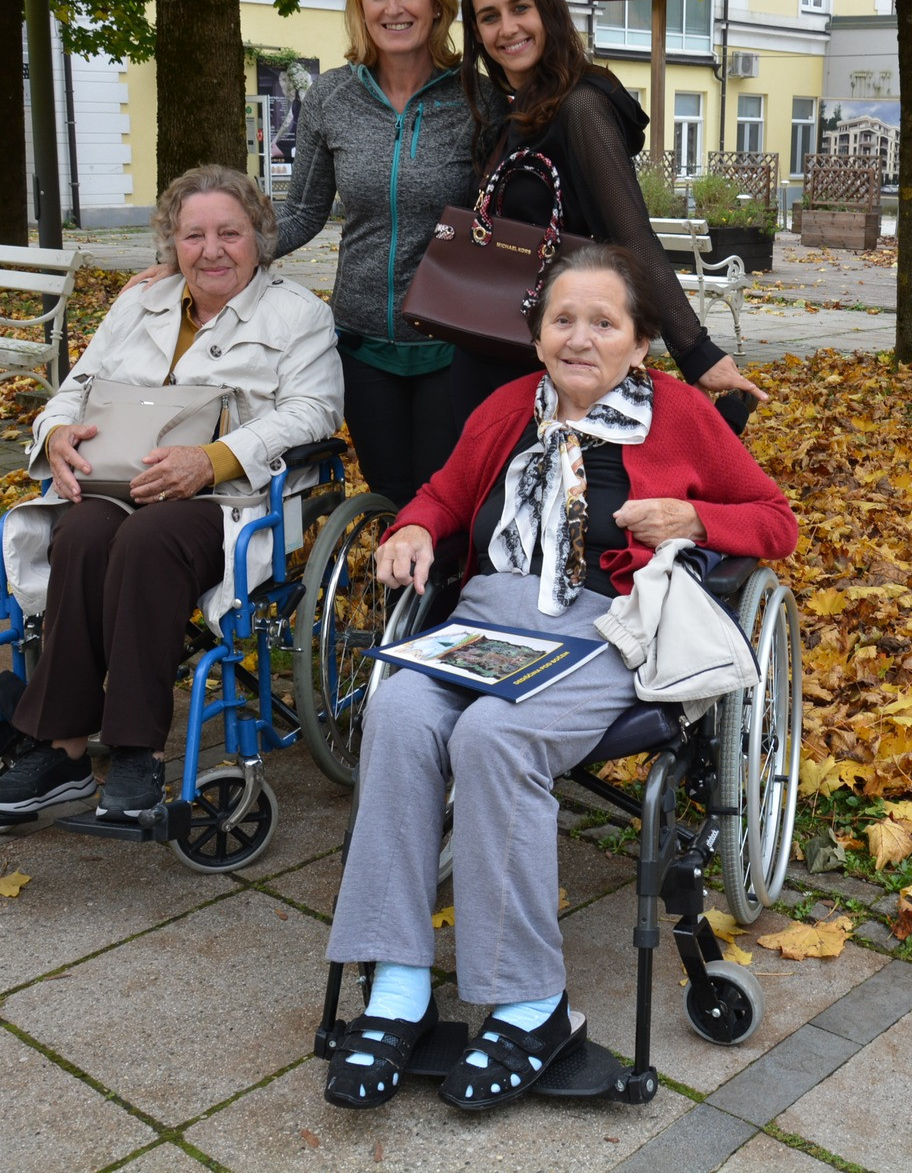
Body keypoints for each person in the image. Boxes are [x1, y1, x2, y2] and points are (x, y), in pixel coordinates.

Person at [322, 245, 797, 1112]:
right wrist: (415, 529)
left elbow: (775, 522)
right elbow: (443, 495)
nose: (580, 338)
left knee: (494, 735)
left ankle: (532, 1005)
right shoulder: (508, 407)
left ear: (640, 341)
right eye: (562, 319)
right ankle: (399, 986)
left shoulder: (681, 415)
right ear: (538, 333)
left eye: (603, 322)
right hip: (484, 623)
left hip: (605, 631)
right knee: (398, 711)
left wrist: (694, 517)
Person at [0, 165, 341, 819]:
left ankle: (136, 749)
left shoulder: (299, 314)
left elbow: (316, 410)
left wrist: (213, 459)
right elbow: (75, 387)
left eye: (229, 233)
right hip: (117, 480)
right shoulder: (141, 302)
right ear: (173, 243)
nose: (212, 250)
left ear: (260, 237)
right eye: (193, 235)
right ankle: (61, 751)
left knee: (147, 540)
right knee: (81, 536)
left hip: (225, 500)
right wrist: (55, 433)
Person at [128, 0, 479, 508]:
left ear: (437, 2)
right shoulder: (331, 97)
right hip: (362, 344)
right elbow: (301, 212)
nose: (392, 8)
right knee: (389, 496)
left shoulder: (476, 100)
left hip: (452, 344)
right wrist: (196, 260)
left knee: (447, 501)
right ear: (359, 7)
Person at [455, 0, 766, 424]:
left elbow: (631, 234)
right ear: (477, 33)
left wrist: (695, 351)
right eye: (489, 17)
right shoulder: (513, 112)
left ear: (547, 10)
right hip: (493, 346)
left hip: (555, 361)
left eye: (520, 8)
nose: (508, 28)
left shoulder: (580, 105)